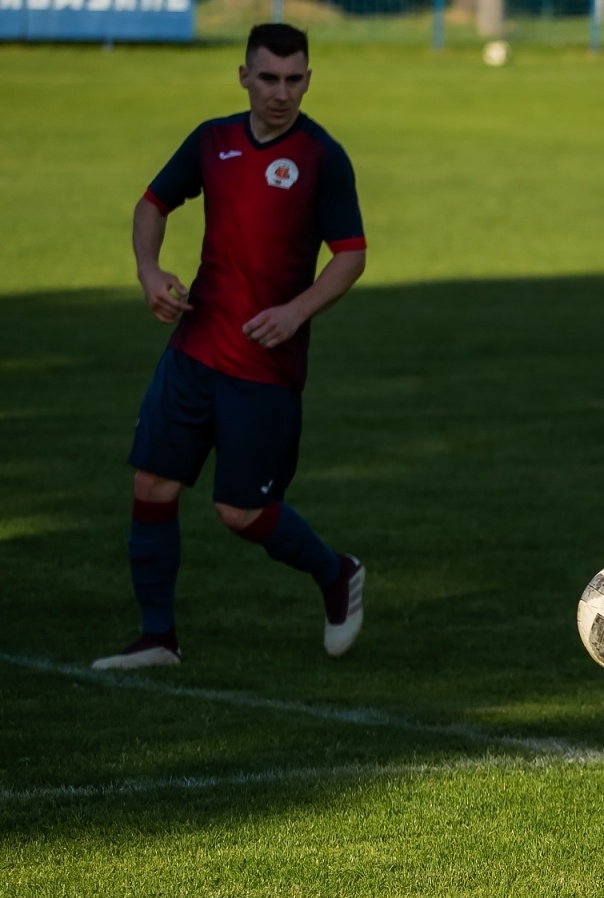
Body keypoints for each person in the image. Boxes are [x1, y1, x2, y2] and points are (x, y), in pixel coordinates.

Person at [93, 22, 367, 671]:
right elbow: (152, 204)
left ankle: (336, 573)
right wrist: (149, 271)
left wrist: (296, 311)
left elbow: (350, 257)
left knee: (241, 512)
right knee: (153, 483)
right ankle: (158, 637)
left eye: (294, 79)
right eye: (268, 78)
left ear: (308, 79)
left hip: (265, 368)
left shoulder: (322, 157)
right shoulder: (212, 140)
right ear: (242, 76)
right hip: (194, 349)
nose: (281, 92)